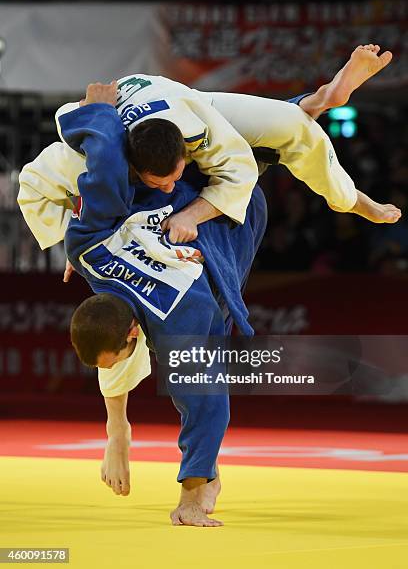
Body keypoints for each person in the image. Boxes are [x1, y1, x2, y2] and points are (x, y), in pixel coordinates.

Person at [58, 80, 268, 527]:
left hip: (227, 222)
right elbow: (105, 173)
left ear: (135, 332)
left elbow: (206, 402)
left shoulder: (179, 320)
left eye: (119, 357)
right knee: (267, 135)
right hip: (172, 189)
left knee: (200, 377)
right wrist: (100, 114)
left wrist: (192, 493)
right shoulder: (84, 249)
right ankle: (303, 110)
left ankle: (204, 479)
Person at [18, 44, 400, 261]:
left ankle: (346, 188)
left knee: (299, 132)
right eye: (159, 181)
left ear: (186, 156)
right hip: (140, 103)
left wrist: (191, 214)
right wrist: (73, 244)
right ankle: (311, 104)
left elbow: (241, 174)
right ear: (132, 162)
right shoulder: (94, 144)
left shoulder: (201, 130)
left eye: (174, 177)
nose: (169, 188)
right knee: (297, 124)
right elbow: (32, 183)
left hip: (188, 100)